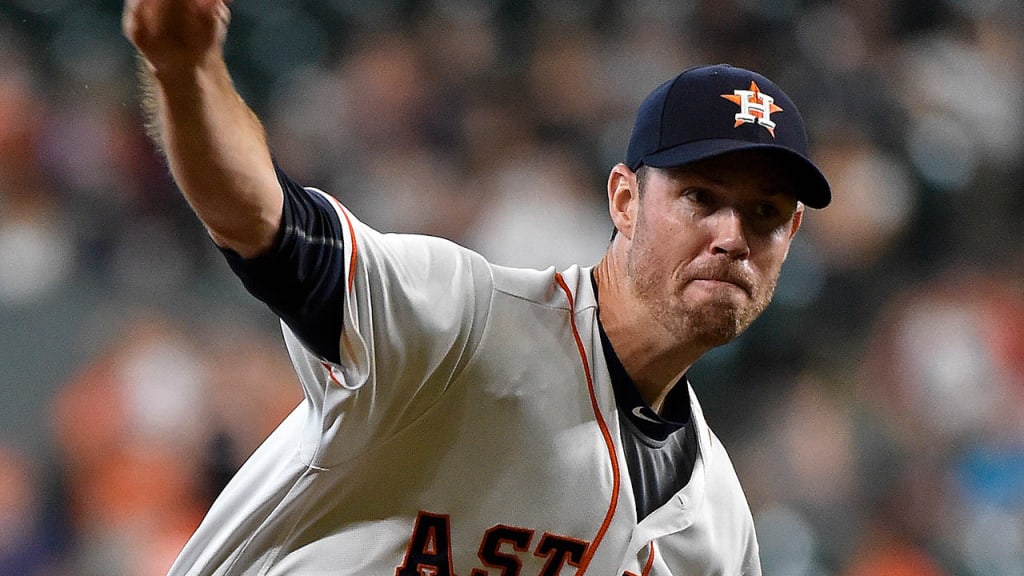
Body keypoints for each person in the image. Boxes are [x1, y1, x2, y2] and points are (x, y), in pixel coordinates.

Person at [122, 1, 831, 574]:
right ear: (623, 201)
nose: (732, 235)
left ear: (791, 236)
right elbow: (265, 223)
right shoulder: (462, 320)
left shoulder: (716, 521)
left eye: (763, 214)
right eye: (701, 198)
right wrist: (187, 70)